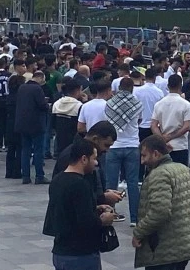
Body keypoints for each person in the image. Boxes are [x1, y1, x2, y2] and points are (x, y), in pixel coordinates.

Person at [132, 134, 190, 270]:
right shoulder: (185, 169)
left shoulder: (159, 174)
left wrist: (139, 232)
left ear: (156, 153)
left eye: (144, 155)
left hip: (165, 249)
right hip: (185, 244)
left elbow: (160, 211)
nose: (142, 161)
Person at [42, 138, 114, 270]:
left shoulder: (57, 180)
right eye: (94, 158)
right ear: (84, 159)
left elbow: (67, 209)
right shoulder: (80, 184)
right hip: (80, 253)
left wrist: (95, 207)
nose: (96, 162)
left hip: (60, 251)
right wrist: (104, 220)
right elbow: (86, 222)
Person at [104, 77, 142, 226]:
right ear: (132, 88)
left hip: (114, 145)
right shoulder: (137, 103)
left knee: (111, 183)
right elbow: (139, 120)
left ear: (119, 87)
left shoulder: (110, 103)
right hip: (132, 145)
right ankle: (134, 218)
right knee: (133, 183)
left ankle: (109, 214)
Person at [15, 71, 51, 185]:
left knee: (25, 150)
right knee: (38, 150)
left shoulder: (22, 87)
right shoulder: (37, 89)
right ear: (40, 78)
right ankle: (39, 176)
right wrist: (47, 105)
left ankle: (25, 176)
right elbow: (42, 105)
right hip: (36, 124)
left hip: (22, 123)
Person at [151, 74, 190, 166]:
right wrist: (171, 136)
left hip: (163, 146)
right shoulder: (185, 104)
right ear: (180, 86)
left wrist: (162, 138)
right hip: (180, 145)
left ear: (168, 86)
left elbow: (153, 125)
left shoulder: (159, 104)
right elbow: (187, 126)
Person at [51, 78, 83, 156]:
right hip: (74, 139)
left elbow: (53, 122)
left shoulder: (57, 103)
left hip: (60, 138)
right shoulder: (79, 105)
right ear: (78, 90)